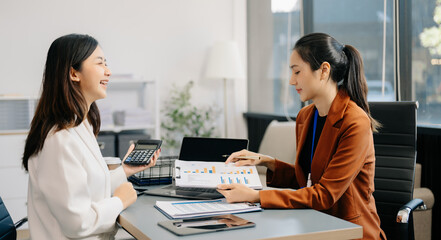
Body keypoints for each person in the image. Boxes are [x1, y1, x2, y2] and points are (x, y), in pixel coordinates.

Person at [217, 33, 386, 240]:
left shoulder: (355, 122)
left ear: (324, 70)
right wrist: (265, 162)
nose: (291, 81)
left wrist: (256, 195)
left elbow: (325, 194)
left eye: (297, 72)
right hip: (311, 222)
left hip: (348, 229)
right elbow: (305, 180)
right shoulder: (306, 116)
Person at [22, 34, 160, 239]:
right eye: (100, 63)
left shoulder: (79, 124)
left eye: (107, 63)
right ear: (73, 73)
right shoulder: (59, 139)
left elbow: (88, 188)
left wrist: (125, 170)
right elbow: (77, 223)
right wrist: (119, 201)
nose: (108, 71)